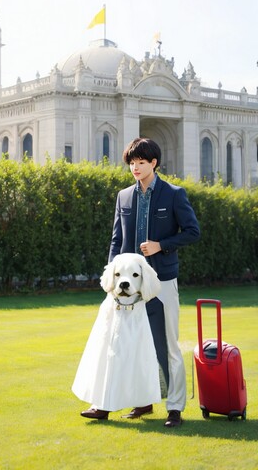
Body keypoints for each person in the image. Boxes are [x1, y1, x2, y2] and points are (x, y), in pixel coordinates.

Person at [108, 137, 200, 427]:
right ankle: (143, 403)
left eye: (141, 162)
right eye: (132, 163)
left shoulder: (174, 194)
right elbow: (116, 240)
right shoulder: (123, 196)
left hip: (162, 282)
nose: (135, 168)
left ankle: (175, 408)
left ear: (154, 163)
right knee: (134, 346)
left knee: (169, 345)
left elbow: (192, 232)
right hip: (128, 290)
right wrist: (111, 276)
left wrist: (162, 245)